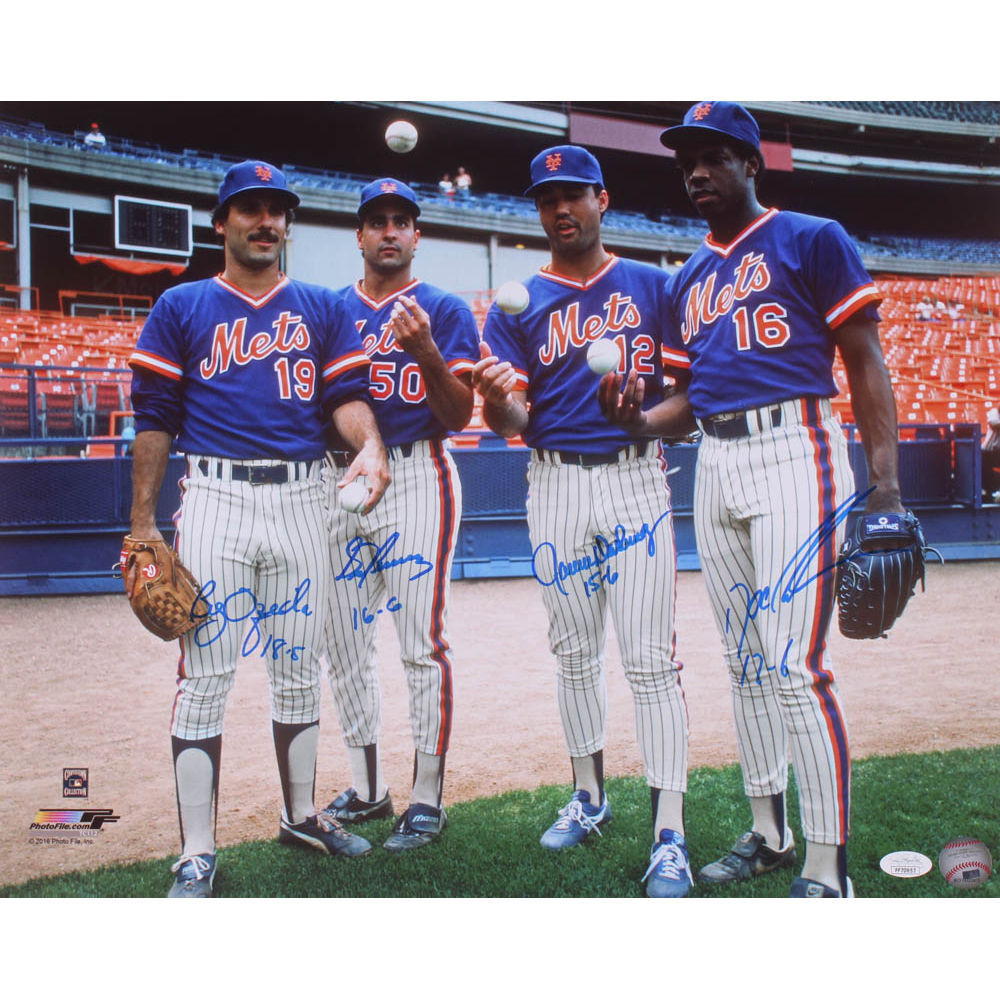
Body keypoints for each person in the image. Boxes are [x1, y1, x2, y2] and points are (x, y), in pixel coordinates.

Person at [602, 101, 904, 898]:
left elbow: (866, 362)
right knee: (744, 665)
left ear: (749, 162)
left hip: (794, 450)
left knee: (796, 666)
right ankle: (769, 832)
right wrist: (636, 416)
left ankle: (827, 865)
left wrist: (887, 488)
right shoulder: (686, 279)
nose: (697, 172)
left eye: (713, 157)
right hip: (719, 463)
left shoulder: (812, 236)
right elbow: (684, 403)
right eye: (686, 162)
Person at [126, 159, 390, 898]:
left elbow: (345, 399)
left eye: (276, 209)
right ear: (222, 222)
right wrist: (143, 524)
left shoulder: (320, 306)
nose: (266, 220)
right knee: (205, 675)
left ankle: (301, 813)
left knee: (298, 670)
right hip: (216, 497)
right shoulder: (181, 306)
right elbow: (155, 421)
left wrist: (368, 442)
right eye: (250, 208)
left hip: (305, 498)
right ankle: (198, 852)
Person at [472, 145, 694, 898]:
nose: (559, 208)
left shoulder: (653, 287)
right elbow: (510, 421)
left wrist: (644, 419)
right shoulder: (519, 300)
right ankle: (590, 796)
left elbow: (689, 405)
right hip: (556, 484)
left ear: (603, 200)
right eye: (545, 198)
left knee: (650, 662)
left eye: (572, 194)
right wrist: (495, 393)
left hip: (635, 482)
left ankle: (670, 832)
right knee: (572, 654)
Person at [319, 178, 479, 851]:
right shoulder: (327, 310)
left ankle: (427, 797)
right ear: (358, 235)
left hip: (419, 474)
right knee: (344, 643)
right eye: (376, 221)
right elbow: (323, 402)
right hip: (340, 480)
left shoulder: (443, 309)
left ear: (417, 235)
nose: (389, 231)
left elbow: (460, 415)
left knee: (421, 644)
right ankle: (368, 786)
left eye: (401, 221)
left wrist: (427, 353)